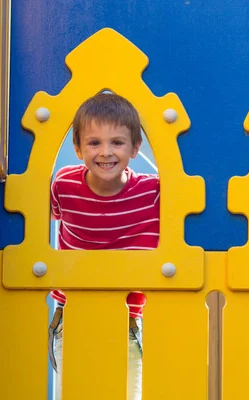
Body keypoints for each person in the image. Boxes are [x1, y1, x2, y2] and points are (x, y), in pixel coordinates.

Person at [49, 93, 160, 400]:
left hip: (128, 319)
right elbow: (31, 216)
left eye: (118, 142)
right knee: (75, 392)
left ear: (136, 148)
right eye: (94, 142)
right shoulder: (65, 185)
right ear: (78, 147)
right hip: (73, 314)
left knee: (126, 394)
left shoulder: (153, 191)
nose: (105, 152)